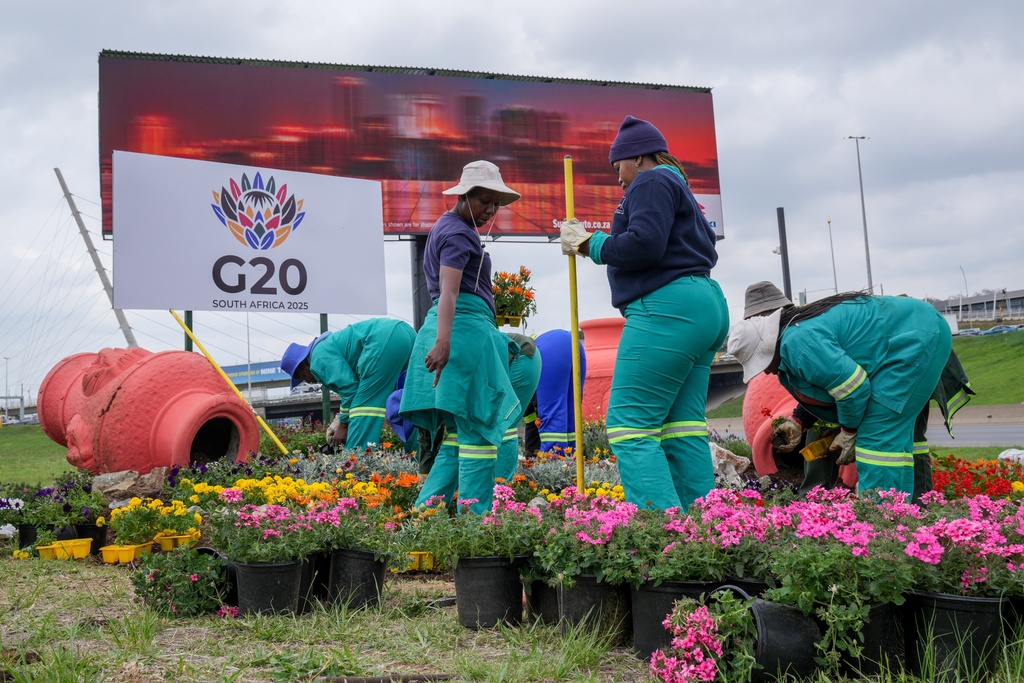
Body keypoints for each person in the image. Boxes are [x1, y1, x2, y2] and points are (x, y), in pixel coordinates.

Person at [560, 115, 729, 511]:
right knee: (681, 429)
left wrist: (590, 243)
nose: (618, 178)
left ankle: (663, 540)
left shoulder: (652, 181)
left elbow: (643, 246)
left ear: (636, 158)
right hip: (703, 305)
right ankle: (703, 533)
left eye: (617, 167)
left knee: (630, 426)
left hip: (668, 308)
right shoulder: (678, 185)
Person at [728, 288, 967, 496]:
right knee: (901, 437)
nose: (766, 372)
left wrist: (849, 431)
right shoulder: (795, 335)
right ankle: (912, 511)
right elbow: (830, 384)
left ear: (767, 347)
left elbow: (853, 389)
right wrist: (799, 420)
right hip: (918, 330)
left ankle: (883, 525)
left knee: (878, 437)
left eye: (762, 363)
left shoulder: (796, 342)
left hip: (912, 340)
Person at [400, 160, 524, 514]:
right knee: (481, 431)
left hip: (455, 329)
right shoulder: (457, 233)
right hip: (465, 333)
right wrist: (444, 342)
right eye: (485, 200)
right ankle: (475, 527)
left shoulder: (447, 226)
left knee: (457, 437)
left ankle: (427, 517)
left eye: (495, 203)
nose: (491, 210)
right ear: (464, 196)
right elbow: (449, 292)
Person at [411, 331, 542, 508]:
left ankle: (499, 502)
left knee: (501, 425)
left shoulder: (439, 369)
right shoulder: (424, 392)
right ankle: (426, 510)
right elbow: (433, 439)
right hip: (481, 364)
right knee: (457, 436)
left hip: (520, 358)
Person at [280, 318, 415, 452]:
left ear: (303, 365)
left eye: (302, 377)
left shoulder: (317, 359)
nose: (308, 381)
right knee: (406, 404)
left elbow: (350, 389)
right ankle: (420, 460)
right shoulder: (328, 346)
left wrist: (343, 426)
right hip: (406, 333)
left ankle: (357, 465)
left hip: (382, 340)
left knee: (363, 409)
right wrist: (339, 420)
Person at [533, 329, 587, 455]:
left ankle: (553, 465)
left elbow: (527, 411)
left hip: (549, 350)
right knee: (572, 414)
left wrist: (530, 450)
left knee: (553, 414)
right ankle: (573, 463)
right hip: (575, 343)